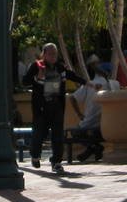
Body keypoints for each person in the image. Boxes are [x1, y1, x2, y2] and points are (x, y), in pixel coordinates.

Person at [23, 42, 83, 173]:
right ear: (44, 54)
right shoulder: (36, 66)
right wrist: (36, 77)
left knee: (58, 136)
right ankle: (35, 155)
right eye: (50, 54)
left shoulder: (59, 67)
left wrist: (87, 83)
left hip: (57, 106)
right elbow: (25, 82)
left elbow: (71, 75)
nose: (53, 56)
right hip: (41, 108)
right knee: (39, 133)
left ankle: (56, 162)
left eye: (55, 53)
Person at [70, 61, 118, 162]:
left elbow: (72, 98)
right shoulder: (115, 85)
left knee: (75, 132)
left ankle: (93, 147)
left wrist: (79, 114)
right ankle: (94, 148)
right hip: (110, 127)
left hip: (89, 124)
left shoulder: (91, 84)